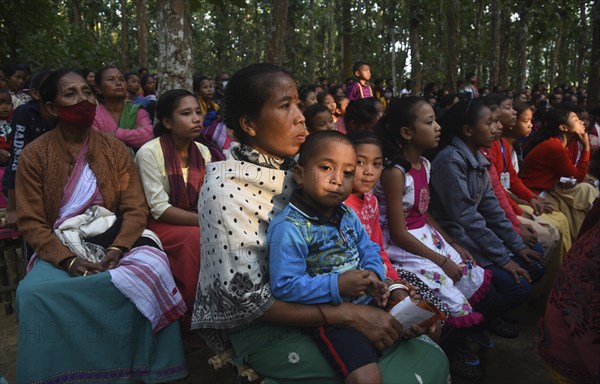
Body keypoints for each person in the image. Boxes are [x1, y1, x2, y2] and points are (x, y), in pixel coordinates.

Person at [191, 63, 450, 383]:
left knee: (426, 348)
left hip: (342, 300)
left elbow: (358, 239)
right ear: (249, 124)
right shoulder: (225, 190)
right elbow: (249, 303)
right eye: (285, 106)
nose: (300, 116)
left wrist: (390, 290)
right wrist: (350, 314)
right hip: (271, 324)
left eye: (298, 103)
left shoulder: (309, 168)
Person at [14, 70, 187, 382]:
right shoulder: (34, 155)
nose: (83, 99)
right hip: (62, 244)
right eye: (71, 94)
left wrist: (118, 247)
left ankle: (154, 369)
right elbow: (31, 221)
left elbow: (136, 209)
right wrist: (67, 260)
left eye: (87, 92)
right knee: (32, 293)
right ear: (53, 108)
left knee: (155, 269)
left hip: (114, 237)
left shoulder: (115, 150)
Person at [268, 130, 388, 383]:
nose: (337, 180)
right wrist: (338, 284)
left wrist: (375, 275)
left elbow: (369, 248)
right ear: (300, 174)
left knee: (422, 318)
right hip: (333, 318)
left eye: (347, 173)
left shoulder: (345, 213)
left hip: (369, 299)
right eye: (326, 168)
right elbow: (284, 285)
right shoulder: (290, 227)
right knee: (367, 376)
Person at [428, 100, 545, 339]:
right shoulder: (451, 161)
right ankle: (472, 328)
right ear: (468, 130)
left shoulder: (479, 159)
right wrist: (504, 259)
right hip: (458, 239)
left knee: (535, 260)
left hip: (475, 234)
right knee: (519, 286)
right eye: (489, 122)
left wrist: (516, 245)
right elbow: (467, 218)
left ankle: (489, 315)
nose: (496, 127)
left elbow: (492, 209)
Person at [135, 89, 212, 331]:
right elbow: (158, 208)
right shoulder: (149, 153)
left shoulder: (203, 152)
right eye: (186, 113)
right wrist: (204, 222)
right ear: (167, 122)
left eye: (198, 112)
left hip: (195, 217)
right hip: (160, 223)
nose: (196, 119)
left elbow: (208, 197)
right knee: (196, 239)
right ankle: (191, 316)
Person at [538, 149, 600, 384]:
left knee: (573, 208)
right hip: (574, 345)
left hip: (563, 329)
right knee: (554, 227)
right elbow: (575, 172)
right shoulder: (554, 145)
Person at [520, 108, 598, 241]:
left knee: (586, 192)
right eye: (576, 119)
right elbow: (578, 176)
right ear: (563, 127)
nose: (582, 122)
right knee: (574, 210)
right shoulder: (554, 146)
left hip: (547, 188)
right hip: (536, 192)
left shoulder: (561, 144)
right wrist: (586, 147)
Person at [2, 69, 55, 230]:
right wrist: (12, 208)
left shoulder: (63, 113)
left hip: (54, 186)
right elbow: (16, 160)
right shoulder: (25, 113)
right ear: (35, 93)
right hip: (24, 187)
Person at [92, 66, 154, 150]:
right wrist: (134, 135)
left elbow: (148, 135)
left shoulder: (137, 111)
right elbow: (96, 142)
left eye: (121, 79)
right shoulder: (93, 115)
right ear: (98, 88)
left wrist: (115, 134)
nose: (118, 83)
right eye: (111, 79)